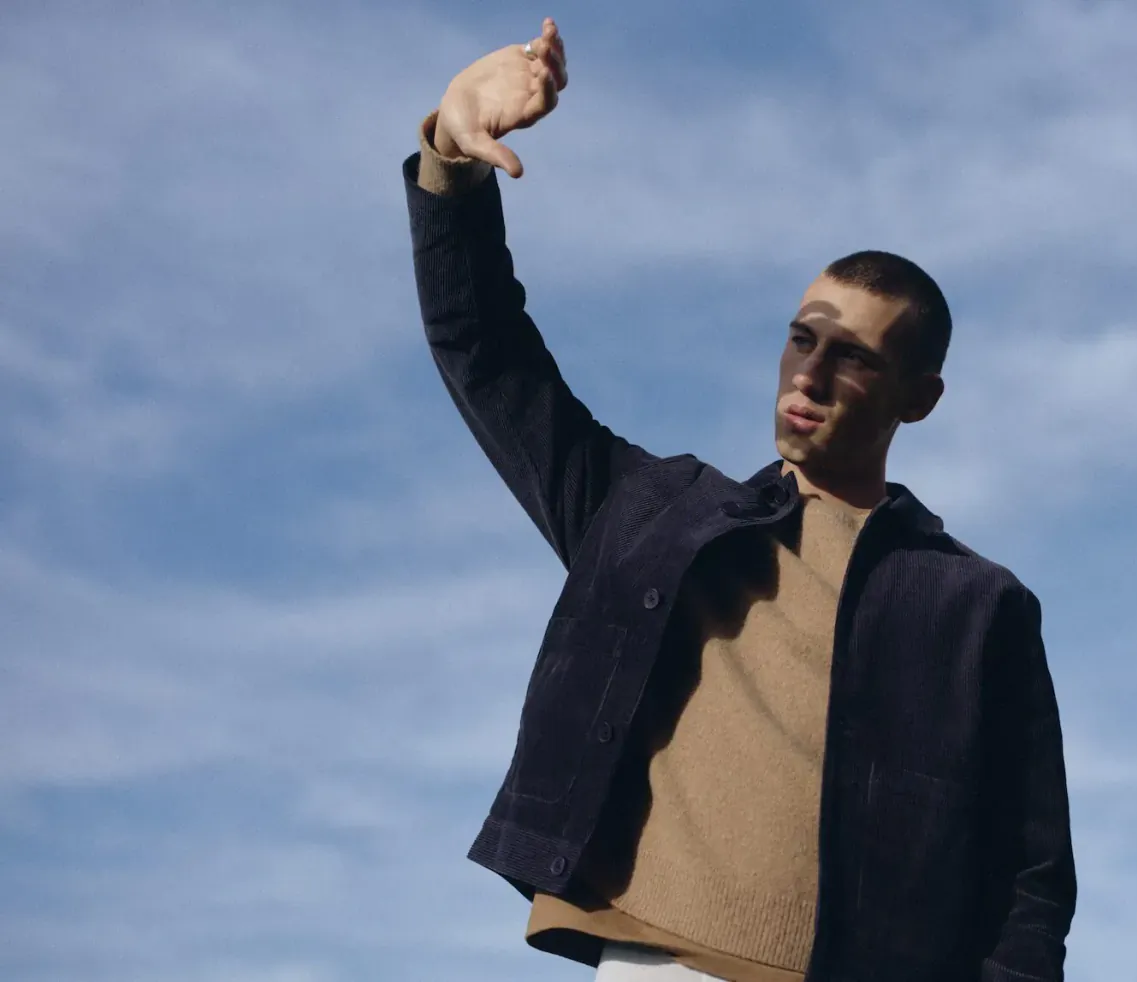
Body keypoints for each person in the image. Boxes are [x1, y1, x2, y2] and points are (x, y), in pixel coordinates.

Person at [402, 17, 1076, 982]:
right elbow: (485, 352)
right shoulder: (648, 513)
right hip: (654, 963)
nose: (811, 371)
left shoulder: (973, 605)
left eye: (853, 357)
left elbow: (1031, 878)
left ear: (917, 398)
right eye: (804, 338)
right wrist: (450, 164)